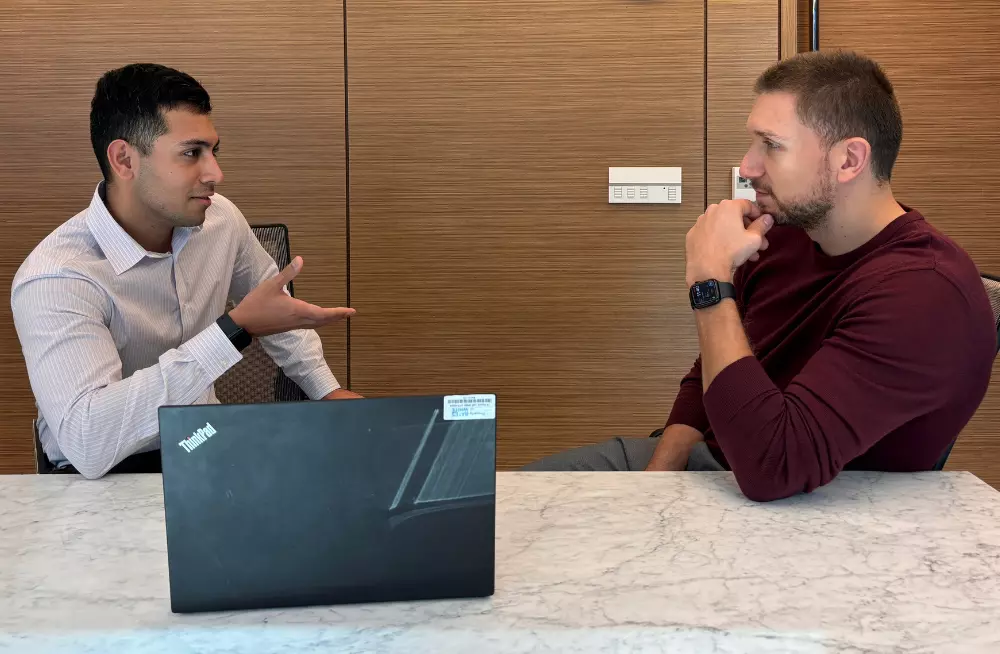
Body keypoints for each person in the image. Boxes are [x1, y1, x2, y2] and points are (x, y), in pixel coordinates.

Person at [524, 50, 995, 501]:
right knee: (502, 506)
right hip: (715, 467)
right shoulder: (786, 236)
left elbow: (776, 467)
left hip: (813, 512)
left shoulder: (927, 292)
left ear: (849, 160)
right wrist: (658, 481)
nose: (748, 166)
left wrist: (710, 281)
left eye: (771, 145)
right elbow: (712, 366)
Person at [11, 63, 359, 479]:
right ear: (124, 159)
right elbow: (89, 441)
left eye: (214, 151)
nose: (215, 173)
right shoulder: (57, 277)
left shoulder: (220, 219)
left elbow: (276, 307)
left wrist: (326, 390)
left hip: (202, 442)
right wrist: (234, 331)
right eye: (192, 153)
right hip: (100, 475)